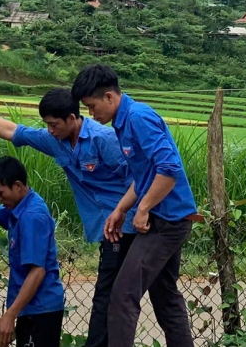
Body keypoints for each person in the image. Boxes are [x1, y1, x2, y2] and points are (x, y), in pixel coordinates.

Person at [0, 89, 133, 347]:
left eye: (54, 124)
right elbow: (14, 131)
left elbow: (139, 176)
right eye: (47, 125)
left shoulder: (103, 139)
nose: (50, 130)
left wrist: (135, 212)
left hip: (125, 225)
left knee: (111, 297)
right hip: (105, 229)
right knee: (113, 296)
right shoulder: (55, 141)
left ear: (71, 118)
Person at [71, 64, 198, 347]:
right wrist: (121, 209)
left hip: (167, 222)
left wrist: (142, 209)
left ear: (109, 97)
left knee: (123, 296)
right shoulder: (122, 122)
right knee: (165, 297)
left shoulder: (138, 117)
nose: (91, 114)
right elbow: (144, 176)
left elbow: (169, 170)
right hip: (166, 218)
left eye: (91, 107)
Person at [0, 156, 66, 347]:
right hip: (29, 308)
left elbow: (37, 271)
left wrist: (10, 315)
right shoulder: (17, 205)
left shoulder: (32, 216)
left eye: (0, 193)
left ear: (17, 186)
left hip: (41, 310)